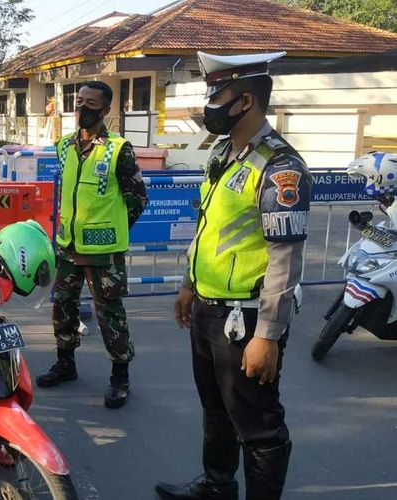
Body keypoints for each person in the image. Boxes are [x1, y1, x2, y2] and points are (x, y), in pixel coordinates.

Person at [155, 51, 311, 500]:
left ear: (245, 101)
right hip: (207, 307)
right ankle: (217, 486)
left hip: (245, 319)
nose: (209, 104)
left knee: (258, 424)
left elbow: (285, 258)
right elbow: (208, 226)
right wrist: (188, 285)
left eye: (216, 94)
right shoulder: (224, 153)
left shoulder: (280, 167)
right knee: (216, 408)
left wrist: (267, 335)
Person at [35, 81, 147, 409]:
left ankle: (120, 376)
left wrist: (113, 229)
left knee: (110, 312)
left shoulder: (119, 148)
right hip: (68, 246)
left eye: (90, 103)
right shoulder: (64, 146)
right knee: (63, 307)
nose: (82, 108)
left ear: (105, 110)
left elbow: (138, 197)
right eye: (79, 101)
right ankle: (65, 364)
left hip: (103, 251)